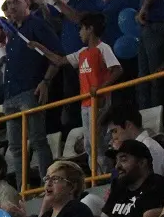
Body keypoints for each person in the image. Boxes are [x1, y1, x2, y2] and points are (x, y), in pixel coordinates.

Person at [30, 12, 121, 172]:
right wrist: (40, 47)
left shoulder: (103, 48)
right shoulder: (82, 52)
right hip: (85, 103)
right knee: (89, 143)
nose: (79, 33)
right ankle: (96, 175)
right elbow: (59, 60)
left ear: (90, 29)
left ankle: (104, 175)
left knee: (97, 141)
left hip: (99, 103)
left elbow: (117, 69)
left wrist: (101, 88)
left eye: (81, 29)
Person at [2, 0, 62, 185]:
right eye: (9, 3)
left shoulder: (37, 25)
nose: (12, 6)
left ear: (27, 3)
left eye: (16, 2)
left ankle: (48, 184)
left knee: (37, 140)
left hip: (30, 90)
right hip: (11, 94)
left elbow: (57, 55)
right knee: (15, 147)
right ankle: (22, 189)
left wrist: (46, 81)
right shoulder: (12, 31)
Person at [102, 139, 164, 217]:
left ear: (142, 163)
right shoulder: (118, 186)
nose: (117, 166)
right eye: (116, 161)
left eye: (123, 160)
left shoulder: (158, 185)